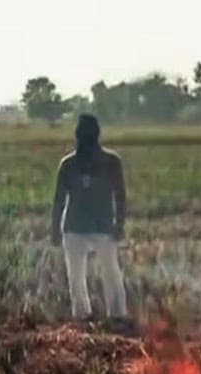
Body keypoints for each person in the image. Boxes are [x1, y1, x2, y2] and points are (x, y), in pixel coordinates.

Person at [50, 113, 130, 326]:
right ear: (78, 137)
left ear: (96, 136)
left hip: (103, 226)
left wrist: (119, 224)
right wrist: (55, 229)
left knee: (111, 272)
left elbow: (120, 195)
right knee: (75, 277)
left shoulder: (111, 162)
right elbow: (59, 199)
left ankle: (118, 316)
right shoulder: (68, 164)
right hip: (74, 227)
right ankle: (82, 318)